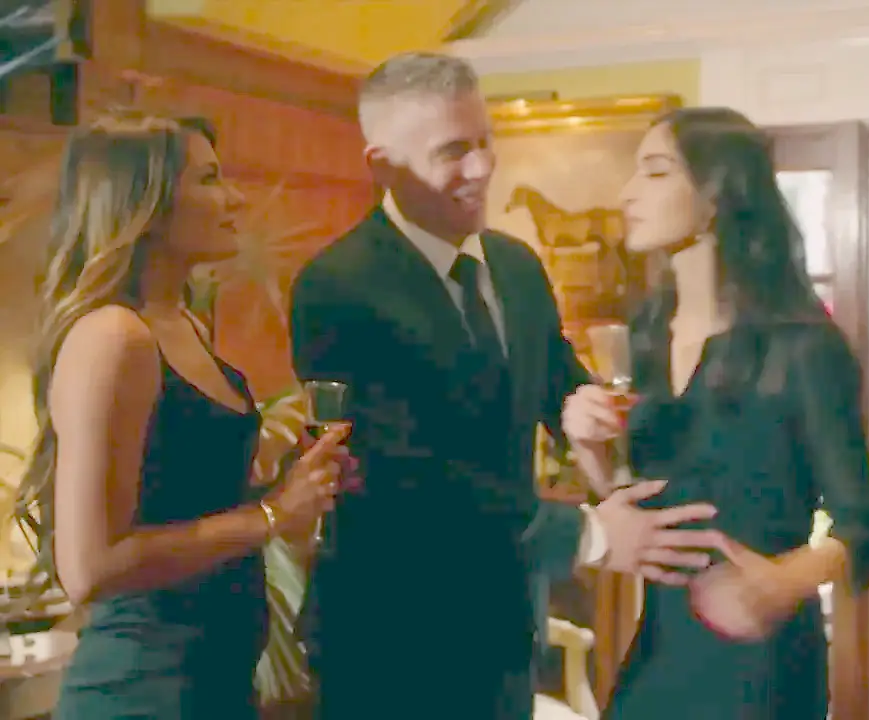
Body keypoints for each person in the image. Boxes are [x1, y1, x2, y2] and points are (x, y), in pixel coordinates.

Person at [289, 52, 724, 720]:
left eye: (485, 141)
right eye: (453, 151)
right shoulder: (335, 288)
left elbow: (558, 384)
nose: (483, 167)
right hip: (391, 639)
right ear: (383, 165)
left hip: (508, 631)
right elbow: (400, 471)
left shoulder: (517, 266)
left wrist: (588, 412)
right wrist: (591, 535)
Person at [10, 114, 349, 720]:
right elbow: (90, 566)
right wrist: (272, 513)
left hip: (214, 682)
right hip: (142, 691)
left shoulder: (183, 321)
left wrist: (293, 485)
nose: (235, 197)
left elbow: (186, 503)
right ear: (147, 204)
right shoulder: (114, 336)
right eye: (210, 179)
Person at [562, 107, 869, 720]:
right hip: (661, 647)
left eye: (655, 171)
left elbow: (864, 524)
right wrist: (590, 449)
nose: (627, 193)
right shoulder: (646, 335)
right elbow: (648, 505)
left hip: (760, 665)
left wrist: (786, 580)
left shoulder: (801, 345)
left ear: (716, 194)